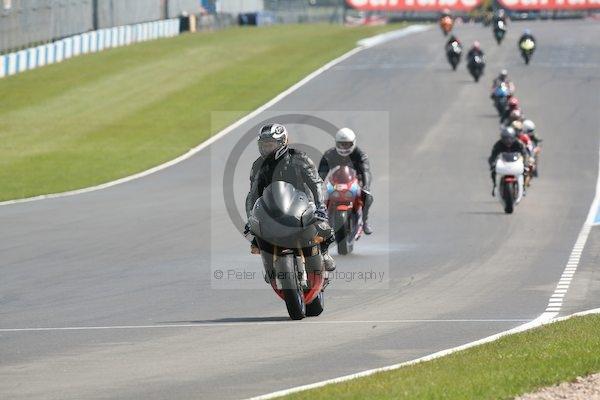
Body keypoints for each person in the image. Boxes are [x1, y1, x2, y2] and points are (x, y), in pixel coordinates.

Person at [245, 123, 336, 271]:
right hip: (272, 208)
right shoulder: (258, 165)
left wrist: (320, 207)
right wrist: (250, 218)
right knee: (255, 236)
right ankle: (269, 265)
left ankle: (324, 253)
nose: (266, 149)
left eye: (270, 145)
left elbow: (316, 183)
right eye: (264, 145)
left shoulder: (299, 158)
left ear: (282, 143)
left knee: (324, 228)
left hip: (303, 203)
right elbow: (253, 194)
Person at [318, 128, 374, 235]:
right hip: (335, 183)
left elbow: (365, 171)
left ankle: (365, 221)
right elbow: (321, 172)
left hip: (355, 182)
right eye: (341, 144)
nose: (344, 147)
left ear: (353, 143)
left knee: (367, 197)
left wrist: (366, 186)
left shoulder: (360, 155)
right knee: (319, 198)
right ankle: (321, 222)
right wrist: (318, 186)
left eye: (347, 144)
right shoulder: (329, 154)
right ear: (336, 143)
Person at [488, 126, 529, 196]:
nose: (508, 141)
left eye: (510, 138)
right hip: (503, 162)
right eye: (505, 138)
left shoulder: (518, 143)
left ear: (514, 137)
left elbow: (525, 154)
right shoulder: (498, 144)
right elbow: (493, 156)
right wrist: (492, 164)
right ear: (502, 138)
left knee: (525, 171)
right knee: (493, 171)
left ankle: (523, 187)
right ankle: (495, 186)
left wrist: (525, 164)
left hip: (516, 162)